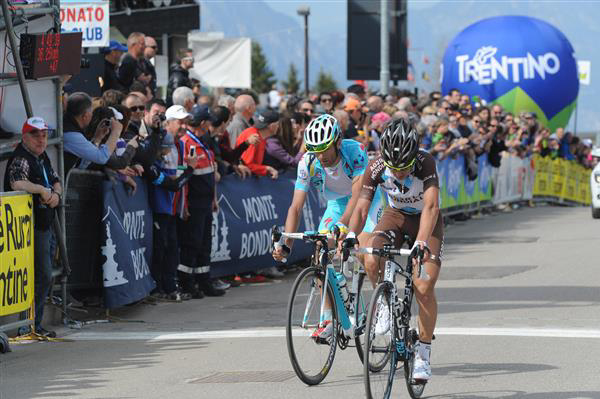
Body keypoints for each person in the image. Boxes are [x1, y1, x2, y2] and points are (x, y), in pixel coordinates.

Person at [343, 118, 444, 382]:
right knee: (370, 256)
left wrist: (421, 242)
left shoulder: (426, 163)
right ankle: (385, 305)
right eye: (393, 168)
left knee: (423, 285)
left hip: (426, 220)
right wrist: (351, 234)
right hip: (395, 215)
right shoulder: (375, 166)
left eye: (404, 168)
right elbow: (362, 207)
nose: (398, 174)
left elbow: (432, 207)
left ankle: (423, 353)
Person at [272, 114, 384, 339]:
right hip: (336, 204)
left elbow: (357, 196)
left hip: (366, 202)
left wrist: (343, 227)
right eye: (315, 150)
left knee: (362, 250)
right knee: (321, 251)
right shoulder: (308, 161)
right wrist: (286, 244)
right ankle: (328, 318)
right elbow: (296, 206)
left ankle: (383, 305)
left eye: (325, 149)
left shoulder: (353, 151)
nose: (320, 155)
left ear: (337, 143)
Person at [4, 117, 62, 337]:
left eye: (44, 135)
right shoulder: (22, 157)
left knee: (43, 275)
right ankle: (29, 325)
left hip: (44, 223)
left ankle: (32, 324)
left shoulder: (41, 155)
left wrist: (55, 194)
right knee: (41, 275)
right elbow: (16, 182)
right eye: (35, 135)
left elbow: (56, 180)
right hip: (30, 228)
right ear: (25, 136)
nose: (41, 139)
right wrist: (40, 189)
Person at [174, 104, 227, 298]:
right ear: (203, 123)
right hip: (193, 203)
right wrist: (184, 205)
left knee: (205, 243)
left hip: (205, 202)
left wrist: (213, 199)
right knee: (192, 243)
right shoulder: (186, 142)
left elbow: (209, 174)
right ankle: (186, 282)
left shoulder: (203, 142)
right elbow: (185, 178)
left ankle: (204, 281)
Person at [63, 92, 123, 174]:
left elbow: (83, 163)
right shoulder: (71, 134)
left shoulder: (70, 127)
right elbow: (102, 157)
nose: (92, 115)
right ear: (85, 116)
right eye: (91, 112)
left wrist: (97, 138)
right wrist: (116, 132)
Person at [235, 109, 280, 178]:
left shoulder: (260, 136)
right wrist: (267, 168)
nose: (278, 127)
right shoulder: (254, 137)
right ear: (272, 126)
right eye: (277, 124)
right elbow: (247, 165)